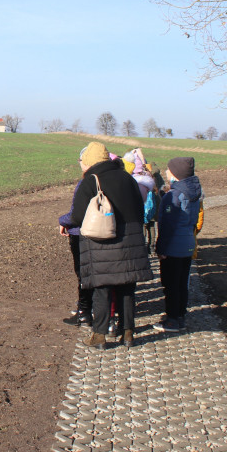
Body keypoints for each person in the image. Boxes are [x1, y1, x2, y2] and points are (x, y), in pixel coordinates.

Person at [68, 142, 153, 349]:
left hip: (102, 242)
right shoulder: (128, 178)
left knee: (102, 289)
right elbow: (140, 210)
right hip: (130, 241)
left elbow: (78, 216)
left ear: (90, 160)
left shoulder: (91, 181)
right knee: (127, 288)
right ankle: (128, 333)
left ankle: (99, 336)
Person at [154, 156, 203, 331]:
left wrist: (161, 248)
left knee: (171, 284)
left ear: (175, 173)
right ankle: (180, 315)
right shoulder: (194, 194)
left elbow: (167, 226)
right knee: (182, 283)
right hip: (188, 243)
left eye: (169, 169)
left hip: (173, 247)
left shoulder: (173, 196)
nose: (166, 172)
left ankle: (172, 319)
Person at [59, 148, 93, 327]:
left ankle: (84, 311)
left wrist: (62, 220)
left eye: (81, 160)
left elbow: (77, 214)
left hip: (80, 234)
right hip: (95, 232)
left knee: (83, 273)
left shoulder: (86, 183)